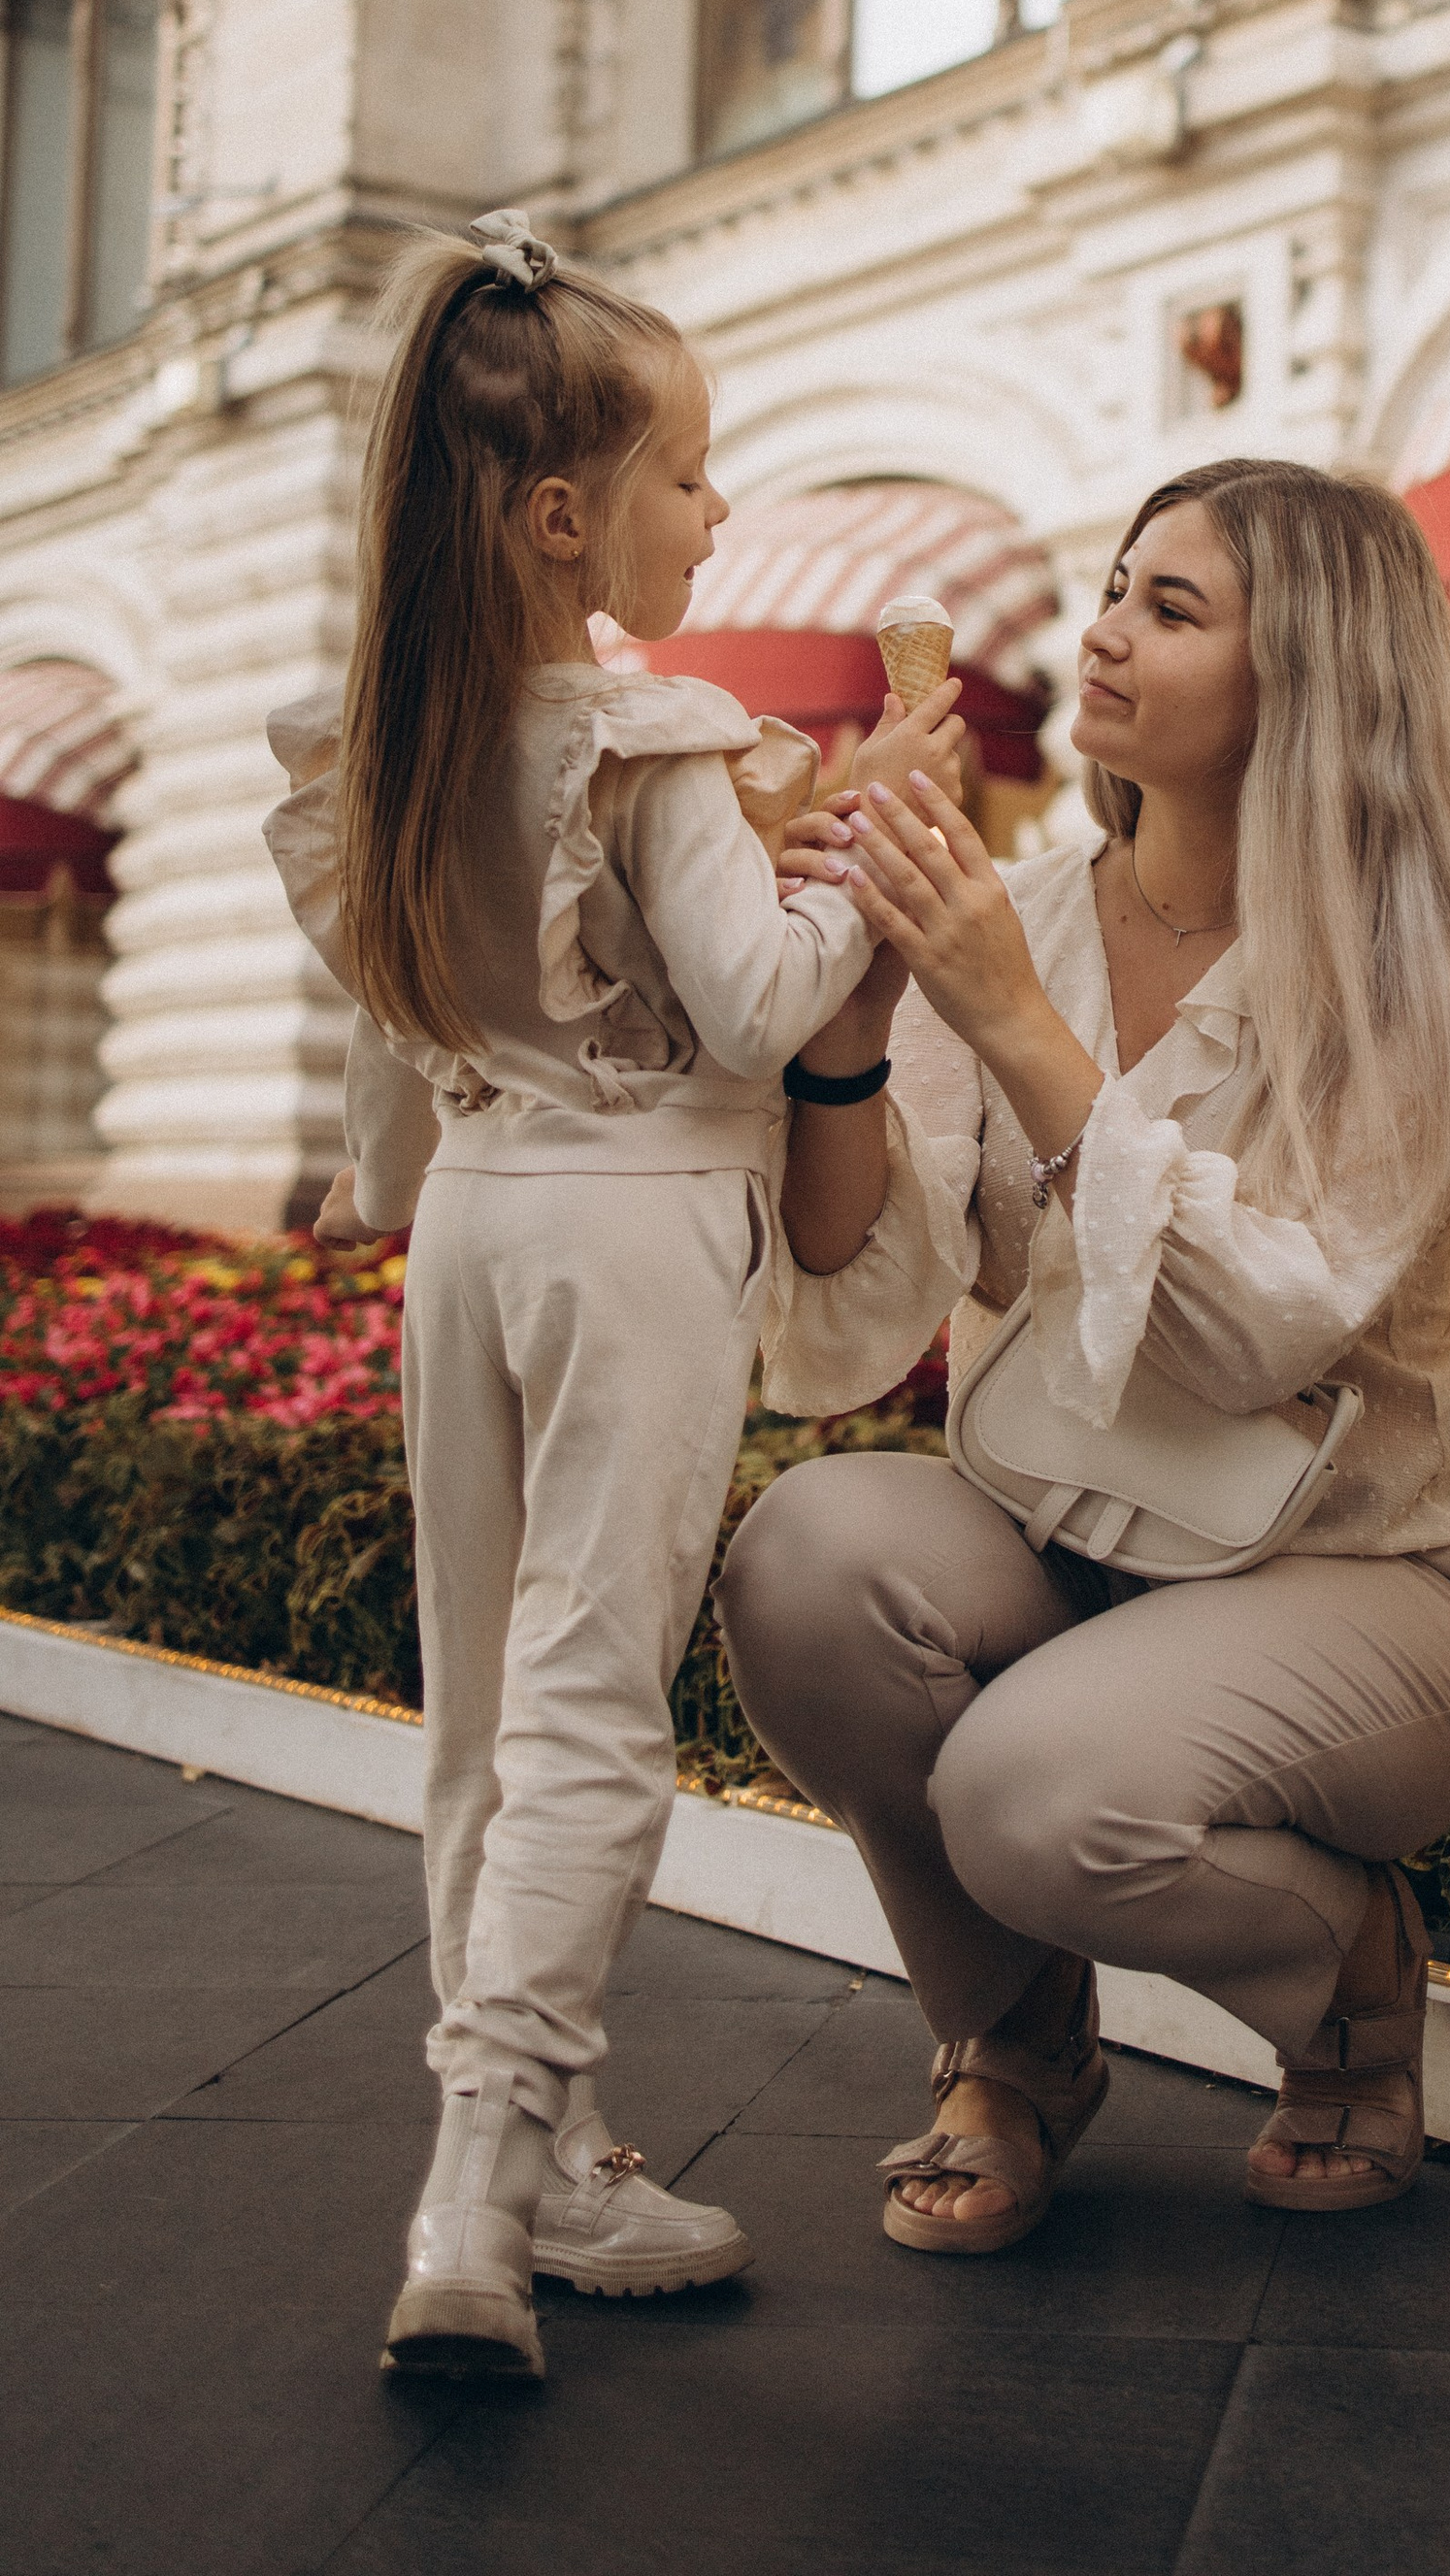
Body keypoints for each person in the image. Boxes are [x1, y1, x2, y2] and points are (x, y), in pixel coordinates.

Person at [264, 211, 962, 2382]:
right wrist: (872, 852)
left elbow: (394, 1061)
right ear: (567, 516)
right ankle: (478, 2181)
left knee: (478, 1702)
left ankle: (545, 2148)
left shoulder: (392, 737)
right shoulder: (640, 734)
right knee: (587, 1700)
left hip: (473, 1219)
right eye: (687, 476)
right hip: (634, 1229)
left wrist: (436, 1196)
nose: (717, 506)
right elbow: (757, 1017)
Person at [717, 457, 1450, 2250]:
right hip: (1069, 1540)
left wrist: (1011, 1018)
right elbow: (854, 1315)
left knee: (1033, 1797)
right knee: (804, 1563)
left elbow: (1258, 1338)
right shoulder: (1016, 902)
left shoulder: (1413, 965)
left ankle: (1352, 1976)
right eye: (1112, 589)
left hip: (1369, 1576)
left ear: (1309, 676)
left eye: (1173, 609)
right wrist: (850, 1029)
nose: (1102, 633)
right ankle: (1012, 2048)